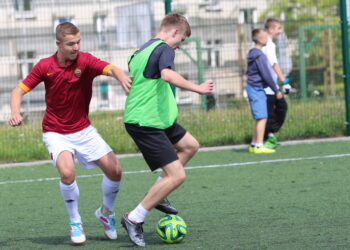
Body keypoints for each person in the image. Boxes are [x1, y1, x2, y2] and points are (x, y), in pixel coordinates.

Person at [8, 22, 132, 245]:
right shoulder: (44, 66)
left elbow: (111, 67)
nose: (76, 47)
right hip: (55, 132)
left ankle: (106, 212)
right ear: (58, 44)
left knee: (115, 171)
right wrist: (15, 112)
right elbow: (18, 90)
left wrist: (120, 76)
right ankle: (75, 220)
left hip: (84, 130)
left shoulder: (85, 60)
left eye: (78, 42)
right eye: (71, 44)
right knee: (67, 173)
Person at [120, 13, 214, 247]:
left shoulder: (140, 50)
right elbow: (167, 74)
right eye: (181, 40)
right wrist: (198, 88)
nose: (179, 46)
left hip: (159, 120)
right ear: (174, 32)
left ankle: (159, 194)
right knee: (177, 175)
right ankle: (134, 218)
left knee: (190, 146)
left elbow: (138, 81)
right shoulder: (164, 48)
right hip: (146, 122)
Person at [247, 29, 283, 154]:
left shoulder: (253, 53)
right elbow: (266, 75)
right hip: (256, 88)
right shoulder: (260, 55)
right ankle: (259, 145)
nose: (268, 39)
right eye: (266, 37)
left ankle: (253, 144)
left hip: (253, 88)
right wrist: (276, 89)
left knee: (259, 117)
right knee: (262, 117)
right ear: (261, 40)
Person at [262, 18, 291, 149]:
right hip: (267, 87)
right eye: (278, 28)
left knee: (276, 110)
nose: (280, 31)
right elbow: (274, 64)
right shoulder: (268, 44)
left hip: (271, 85)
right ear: (271, 29)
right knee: (275, 110)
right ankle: (267, 137)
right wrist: (284, 81)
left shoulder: (268, 43)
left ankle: (269, 135)